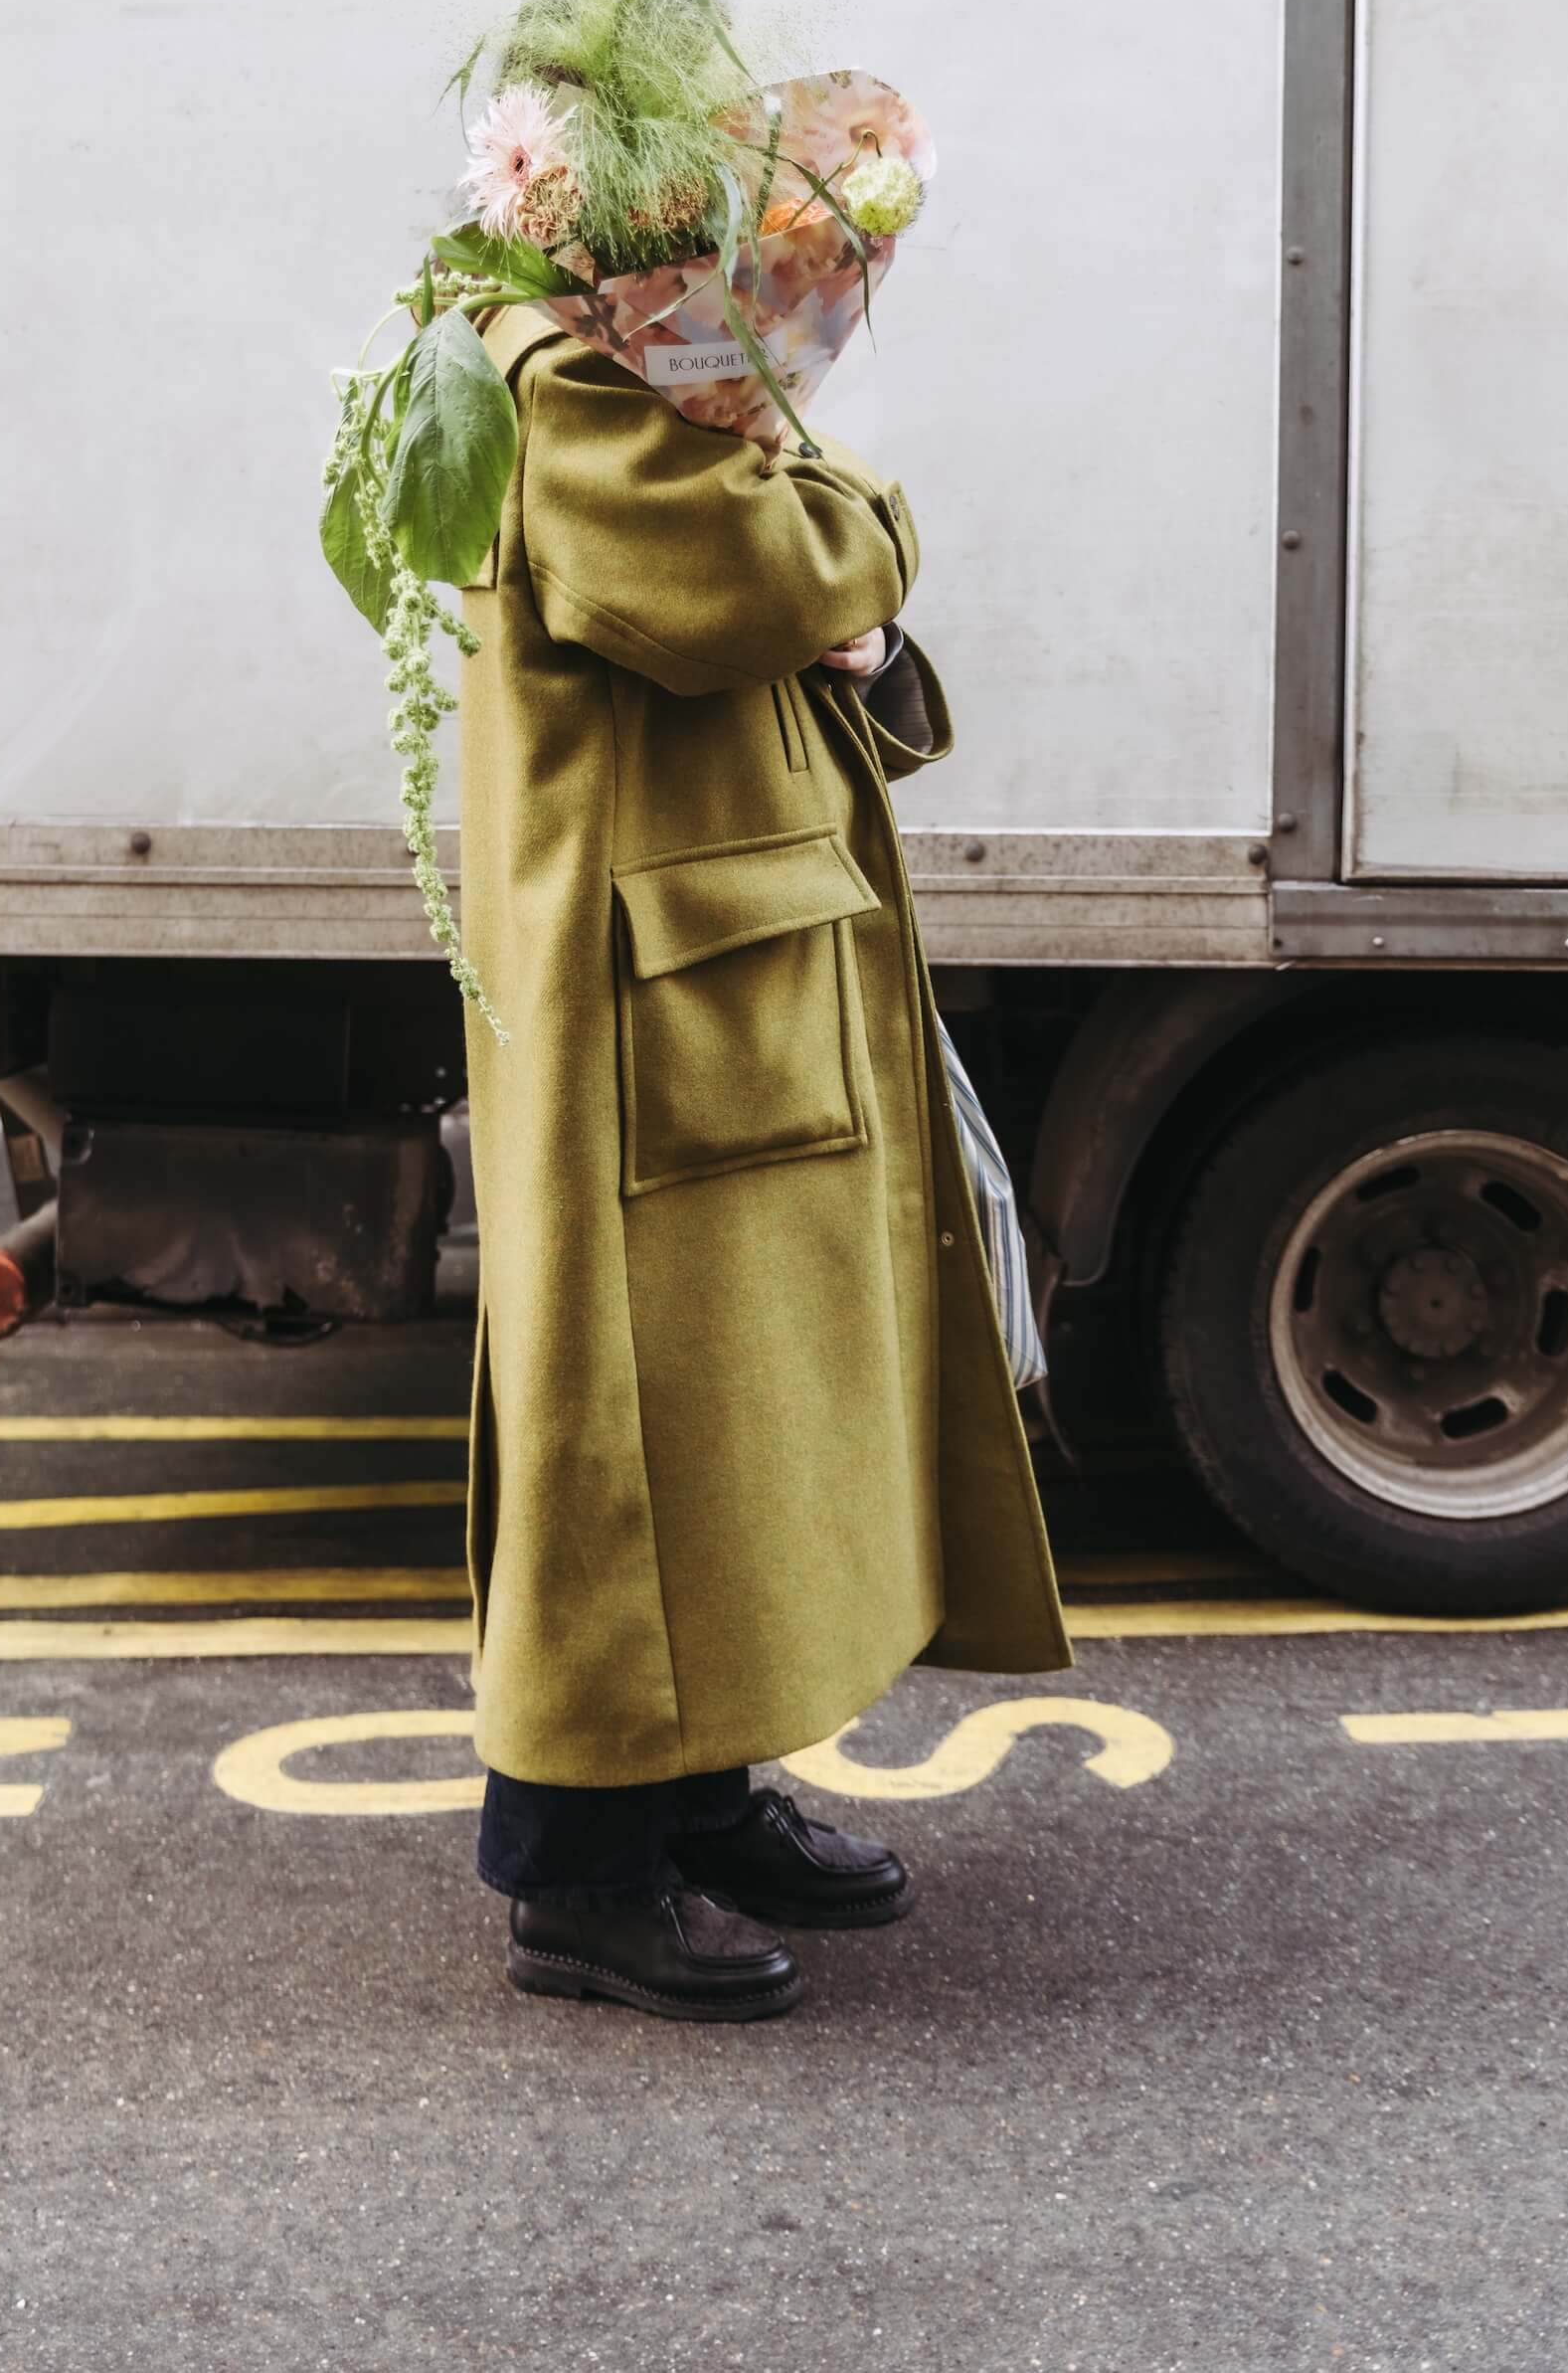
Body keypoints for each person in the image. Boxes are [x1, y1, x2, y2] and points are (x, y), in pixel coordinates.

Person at [454, 253, 1071, 2030]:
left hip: (718, 979)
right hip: (662, 1011)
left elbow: (778, 592)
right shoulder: (560, 382)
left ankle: (701, 1801)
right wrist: (858, 515)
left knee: (723, 1433)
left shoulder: (625, 380)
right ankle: (578, 1880)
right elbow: (747, 574)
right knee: (627, 1448)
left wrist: (831, 587)